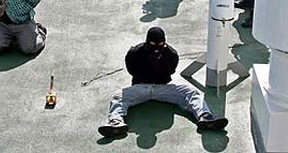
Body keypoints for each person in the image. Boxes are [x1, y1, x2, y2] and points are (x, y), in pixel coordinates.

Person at [98, 27, 228, 137]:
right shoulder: (135, 52)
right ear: (147, 41)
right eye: (152, 44)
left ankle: (205, 117)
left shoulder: (171, 54)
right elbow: (131, 69)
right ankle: (115, 122)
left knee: (190, 91)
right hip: (141, 87)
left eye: (160, 45)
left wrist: (159, 61)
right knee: (118, 96)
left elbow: (170, 70)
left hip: (163, 88)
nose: (156, 48)